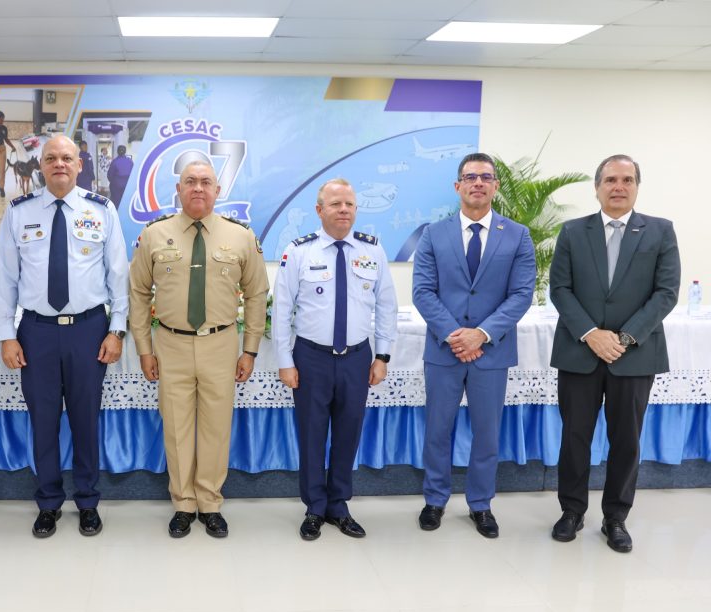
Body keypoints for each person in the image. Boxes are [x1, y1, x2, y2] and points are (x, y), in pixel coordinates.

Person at [0, 134, 128, 538]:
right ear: (40, 164)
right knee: (44, 421)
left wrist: (116, 330)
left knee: (86, 421)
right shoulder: (19, 212)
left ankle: (87, 501)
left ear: (79, 163)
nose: (59, 164)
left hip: (89, 330)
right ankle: (49, 502)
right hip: (36, 333)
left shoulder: (102, 210)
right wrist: (7, 335)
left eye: (67, 158)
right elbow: (4, 279)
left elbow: (118, 275)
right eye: (51, 158)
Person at [128, 160, 269, 538]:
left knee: (215, 428)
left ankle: (209, 501)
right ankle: (183, 503)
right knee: (176, 427)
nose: (198, 188)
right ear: (178, 189)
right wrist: (144, 348)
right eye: (190, 181)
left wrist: (250, 349)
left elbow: (257, 294)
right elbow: (138, 293)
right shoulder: (154, 235)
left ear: (218, 190)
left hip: (221, 344)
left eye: (206, 182)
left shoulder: (239, 237)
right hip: (170, 344)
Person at [548, 155, 680, 553]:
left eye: (627, 179)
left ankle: (615, 518)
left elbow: (666, 293)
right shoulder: (572, 231)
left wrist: (623, 338)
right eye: (610, 180)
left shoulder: (660, 231)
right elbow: (561, 289)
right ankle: (571, 511)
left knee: (626, 439)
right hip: (580, 351)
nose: (618, 186)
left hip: (634, 355)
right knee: (575, 437)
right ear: (597, 186)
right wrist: (591, 333)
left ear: (637, 186)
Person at [412, 152, 536, 539]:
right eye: (470, 177)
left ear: (496, 186)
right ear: (457, 186)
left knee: (487, 432)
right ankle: (434, 500)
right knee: (438, 429)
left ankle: (480, 504)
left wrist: (480, 334)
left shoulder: (517, 234)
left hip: (491, 352)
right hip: (444, 351)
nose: (478, 183)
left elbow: (520, 294)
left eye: (486, 177)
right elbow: (423, 292)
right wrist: (456, 335)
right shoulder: (433, 233)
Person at [273, 178, 398, 540]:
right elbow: (283, 309)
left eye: (349, 204)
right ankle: (314, 507)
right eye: (335, 204)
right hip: (311, 357)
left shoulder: (372, 250)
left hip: (358, 358)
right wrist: (285, 360)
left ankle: (339, 505)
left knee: (348, 434)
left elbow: (386, 305)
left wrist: (383, 355)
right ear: (319, 210)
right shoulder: (299, 251)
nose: (344, 210)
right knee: (312, 434)